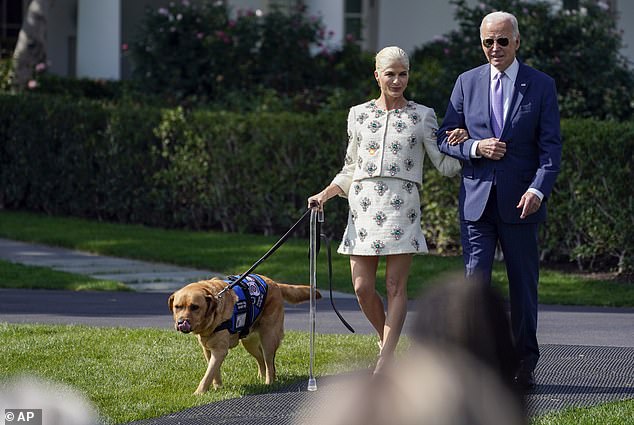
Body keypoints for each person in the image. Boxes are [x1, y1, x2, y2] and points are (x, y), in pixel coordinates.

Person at [308, 46, 463, 375]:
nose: (397, 80)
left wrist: (470, 147)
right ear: (376, 75)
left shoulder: (422, 115)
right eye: (390, 73)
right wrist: (325, 193)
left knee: (395, 286)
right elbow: (350, 168)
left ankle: (386, 359)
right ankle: (387, 340)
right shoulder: (357, 114)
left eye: (403, 73)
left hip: (401, 208)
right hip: (362, 208)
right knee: (362, 287)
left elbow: (444, 164)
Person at [437, 11, 562, 390]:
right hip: (476, 202)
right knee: (474, 288)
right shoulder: (466, 81)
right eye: (488, 42)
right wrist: (475, 146)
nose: (495, 48)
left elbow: (550, 149)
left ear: (517, 42)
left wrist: (538, 189)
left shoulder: (541, 85)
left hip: (522, 203)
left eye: (502, 41)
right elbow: (445, 136)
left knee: (523, 286)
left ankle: (524, 362)